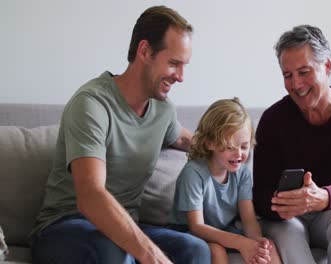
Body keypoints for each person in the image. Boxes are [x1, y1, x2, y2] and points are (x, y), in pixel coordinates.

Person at [30, 6, 210, 264]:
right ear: (145, 51)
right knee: (116, 251)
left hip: (126, 228)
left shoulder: (162, 109)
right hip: (64, 227)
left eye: (184, 66)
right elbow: (91, 196)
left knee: (195, 250)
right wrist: (151, 255)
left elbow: (183, 139)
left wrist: (231, 147)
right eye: (173, 63)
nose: (181, 77)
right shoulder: (92, 104)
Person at [253, 25, 331, 264]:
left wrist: (324, 197)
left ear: (327, 66)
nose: (297, 84)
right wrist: (285, 205)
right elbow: (260, 193)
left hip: (330, 214)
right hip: (288, 220)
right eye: (287, 75)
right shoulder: (273, 120)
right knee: (289, 230)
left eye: (304, 72)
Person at [169, 98, 282, 264]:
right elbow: (196, 227)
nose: (238, 154)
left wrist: (256, 244)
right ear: (210, 143)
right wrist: (241, 243)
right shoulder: (193, 173)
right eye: (230, 147)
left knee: (267, 247)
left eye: (244, 146)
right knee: (216, 250)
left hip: (224, 230)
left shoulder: (242, 172)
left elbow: (249, 219)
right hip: (188, 234)